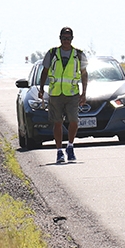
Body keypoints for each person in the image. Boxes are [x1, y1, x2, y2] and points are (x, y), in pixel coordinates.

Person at [38, 27, 88, 163]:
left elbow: (84, 74)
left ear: (72, 39)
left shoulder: (78, 54)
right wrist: (41, 88)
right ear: (60, 38)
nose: (66, 41)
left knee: (74, 121)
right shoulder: (52, 53)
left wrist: (84, 93)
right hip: (55, 94)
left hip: (72, 93)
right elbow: (45, 71)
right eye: (64, 38)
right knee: (57, 122)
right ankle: (59, 151)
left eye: (69, 38)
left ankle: (70, 146)